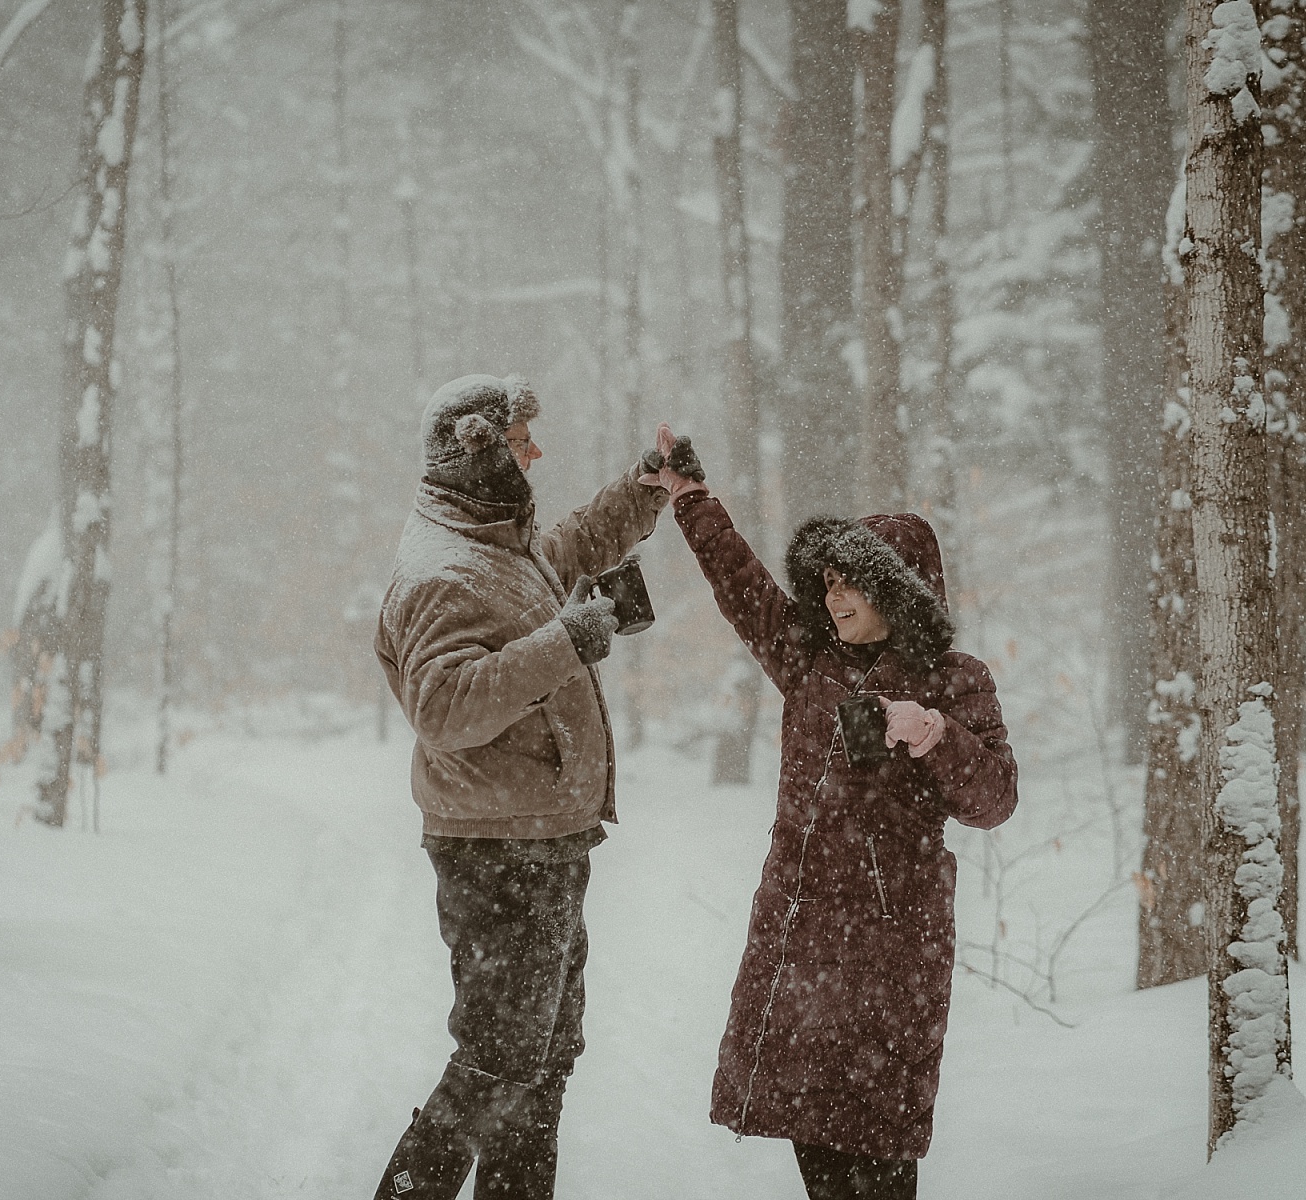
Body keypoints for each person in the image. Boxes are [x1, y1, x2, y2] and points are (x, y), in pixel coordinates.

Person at [650, 425, 1019, 1200]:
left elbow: (996, 800)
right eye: (827, 582)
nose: (833, 595)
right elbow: (741, 584)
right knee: (818, 1151)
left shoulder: (956, 681)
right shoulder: (807, 660)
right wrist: (693, 502)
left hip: (893, 954)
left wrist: (934, 734)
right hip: (803, 943)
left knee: (882, 1164)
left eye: (852, 583)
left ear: (902, 594)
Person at [371, 375, 672, 1200]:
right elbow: (444, 706)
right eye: (520, 441)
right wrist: (567, 641)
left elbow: (568, 548)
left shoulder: (494, 541)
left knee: (541, 1061)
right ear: (477, 450)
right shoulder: (443, 572)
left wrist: (644, 492)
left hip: (541, 839)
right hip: (497, 851)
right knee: (497, 1062)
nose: (535, 454)